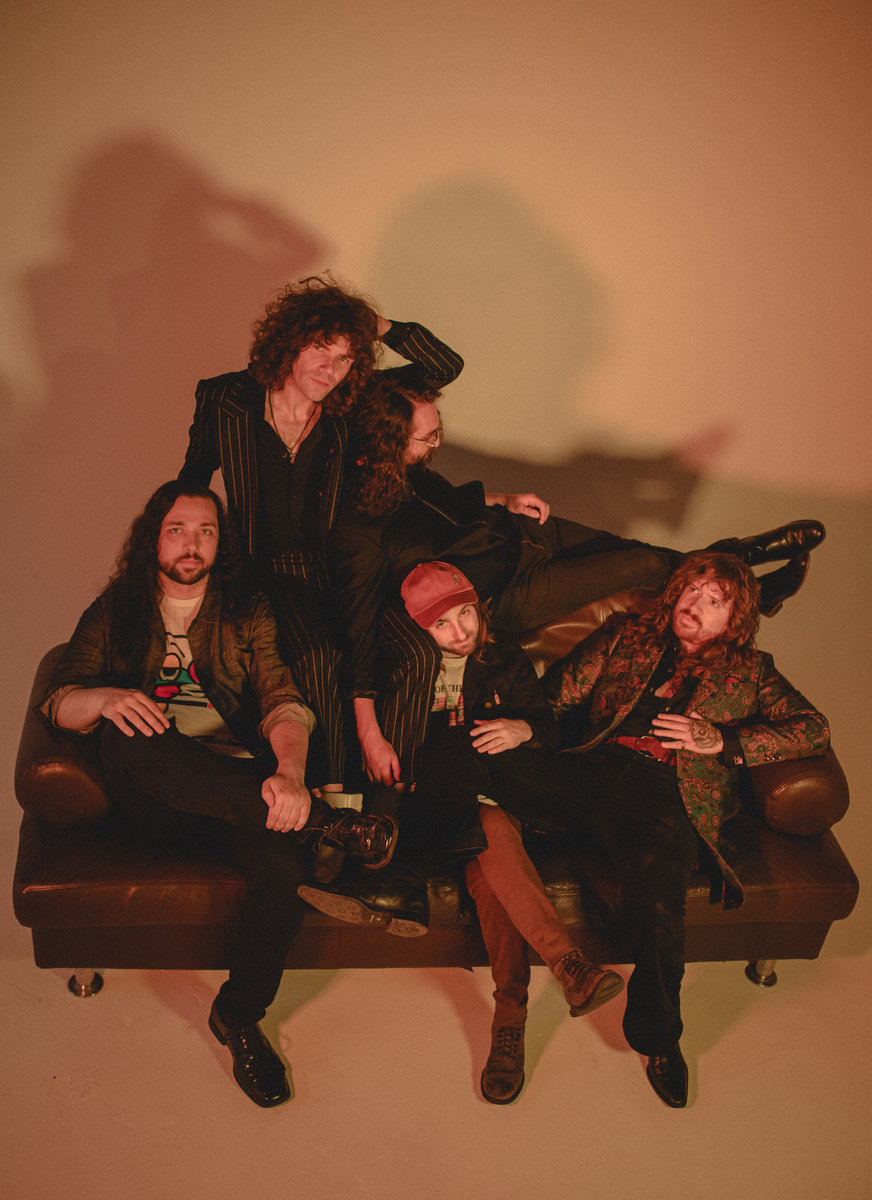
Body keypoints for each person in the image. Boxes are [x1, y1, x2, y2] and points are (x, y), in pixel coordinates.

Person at [37, 480, 397, 1108]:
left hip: (235, 790)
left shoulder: (243, 608)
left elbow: (283, 700)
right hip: (155, 796)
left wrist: (290, 775)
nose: (192, 543)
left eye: (205, 531)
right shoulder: (118, 607)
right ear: (154, 538)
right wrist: (107, 698)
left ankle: (239, 1016)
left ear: (219, 542)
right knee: (131, 735)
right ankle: (325, 822)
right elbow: (59, 700)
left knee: (283, 866)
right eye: (177, 530)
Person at [329, 375, 825, 793]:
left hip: (516, 536)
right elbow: (358, 634)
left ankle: (741, 569)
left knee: (628, 547)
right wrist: (370, 734)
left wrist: (502, 500)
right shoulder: (359, 531)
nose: (436, 445)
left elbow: (449, 503)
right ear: (390, 441)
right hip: (506, 593)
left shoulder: (408, 470)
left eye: (438, 432)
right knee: (642, 565)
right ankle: (745, 565)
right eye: (427, 438)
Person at [491, 550, 830, 1107]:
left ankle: (660, 1040)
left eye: (714, 601)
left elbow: (813, 728)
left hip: (661, 792)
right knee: (486, 754)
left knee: (657, 906)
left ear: (735, 620)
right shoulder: (627, 635)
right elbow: (557, 696)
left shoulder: (751, 671)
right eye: (692, 589)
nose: (695, 604)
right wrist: (525, 727)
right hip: (590, 769)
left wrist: (722, 741)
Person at [298, 561, 625, 1104]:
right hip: (430, 809)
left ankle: (511, 1011)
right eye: (442, 624)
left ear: (479, 609)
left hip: (499, 799)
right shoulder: (401, 670)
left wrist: (522, 727)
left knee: (491, 838)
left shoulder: (502, 659)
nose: (460, 631)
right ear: (418, 631)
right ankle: (563, 972)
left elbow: (547, 727)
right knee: (478, 814)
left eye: (466, 614)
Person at [179, 274, 463, 794]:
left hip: (345, 568)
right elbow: (190, 486)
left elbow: (444, 366)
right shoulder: (226, 399)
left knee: (418, 654)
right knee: (318, 656)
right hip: (269, 572)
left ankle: (387, 809)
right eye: (320, 347)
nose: (330, 368)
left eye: (345, 357)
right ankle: (335, 802)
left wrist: (373, 324)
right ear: (290, 340)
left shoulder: (347, 402)